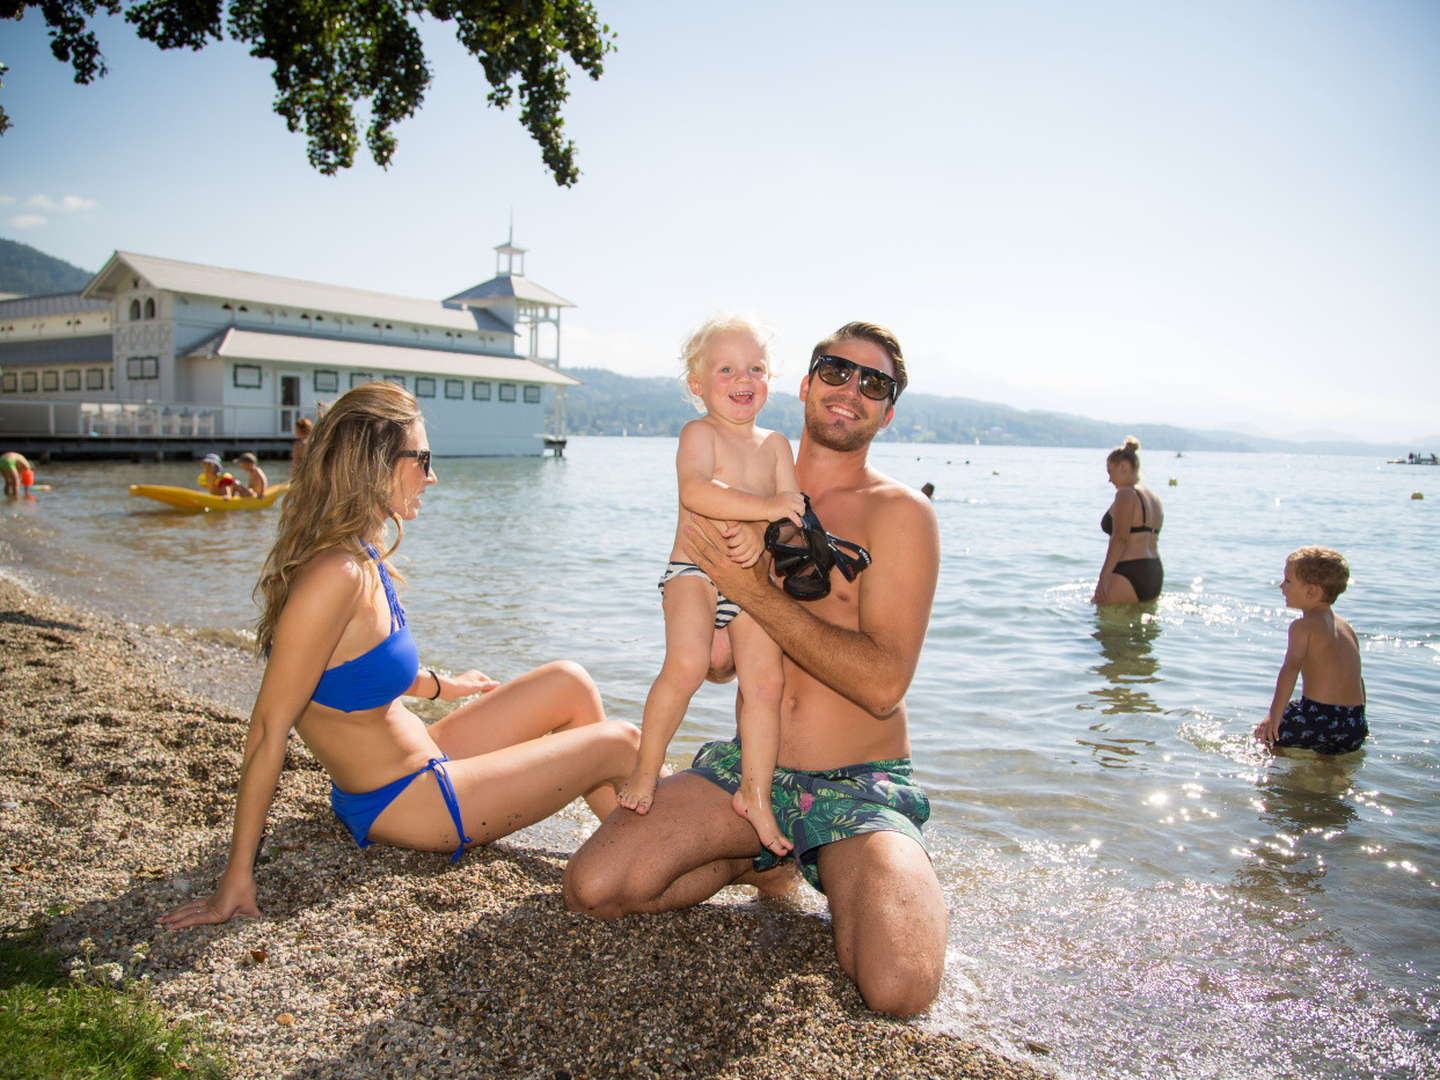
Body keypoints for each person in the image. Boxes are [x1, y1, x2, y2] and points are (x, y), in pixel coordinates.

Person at [566, 322, 947, 1018]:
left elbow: (882, 685)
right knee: (596, 886)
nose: (850, 391)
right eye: (836, 371)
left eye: (874, 384)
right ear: (803, 386)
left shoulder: (900, 514)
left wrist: (751, 590)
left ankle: (849, 861)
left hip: (857, 787)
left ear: (887, 413)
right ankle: (759, 855)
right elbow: (716, 666)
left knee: (898, 989)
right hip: (754, 772)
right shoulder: (736, 485)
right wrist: (698, 597)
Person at [162, 382, 639, 929]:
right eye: (424, 459)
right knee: (622, 742)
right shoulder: (333, 577)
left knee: (570, 681)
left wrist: (443, 686)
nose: (432, 476)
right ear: (376, 463)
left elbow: (353, 669)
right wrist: (235, 879)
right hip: (409, 801)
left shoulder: (362, 555)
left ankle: (620, 846)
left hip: (424, 757)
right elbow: (269, 729)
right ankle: (638, 856)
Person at [617, 317, 804, 858]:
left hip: (750, 583)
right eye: (726, 369)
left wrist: (765, 539)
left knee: (765, 685)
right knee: (687, 664)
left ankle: (755, 793)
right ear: (698, 384)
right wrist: (762, 511)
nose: (742, 378)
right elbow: (697, 492)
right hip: (693, 574)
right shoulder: (698, 434)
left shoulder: (775, 445)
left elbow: (791, 514)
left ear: (769, 380)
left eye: (756, 368)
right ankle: (646, 768)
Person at [1253, 547, 1367, 755]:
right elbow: (1358, 678)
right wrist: (1359, 720)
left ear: (1312, 591)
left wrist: (1273, 717)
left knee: (1263, 739)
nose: (1281, 586)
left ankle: (1277, 783)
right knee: (1331, 765)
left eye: (1288, 581)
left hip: (1316, 719)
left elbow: (1290, 669)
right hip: (1353, 723)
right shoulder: (1346, 627)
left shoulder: (1302, 626)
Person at [1092, 436, 1164, 604]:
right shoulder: (1154, 498)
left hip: (1128, 571)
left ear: (1124, 466)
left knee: (1103, 626)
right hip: (1154, 571)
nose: (1109, 479)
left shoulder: (1126, 494)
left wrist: (1103, 577)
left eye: (1110, 472)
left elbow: (1120, 538)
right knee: (1140, 629)